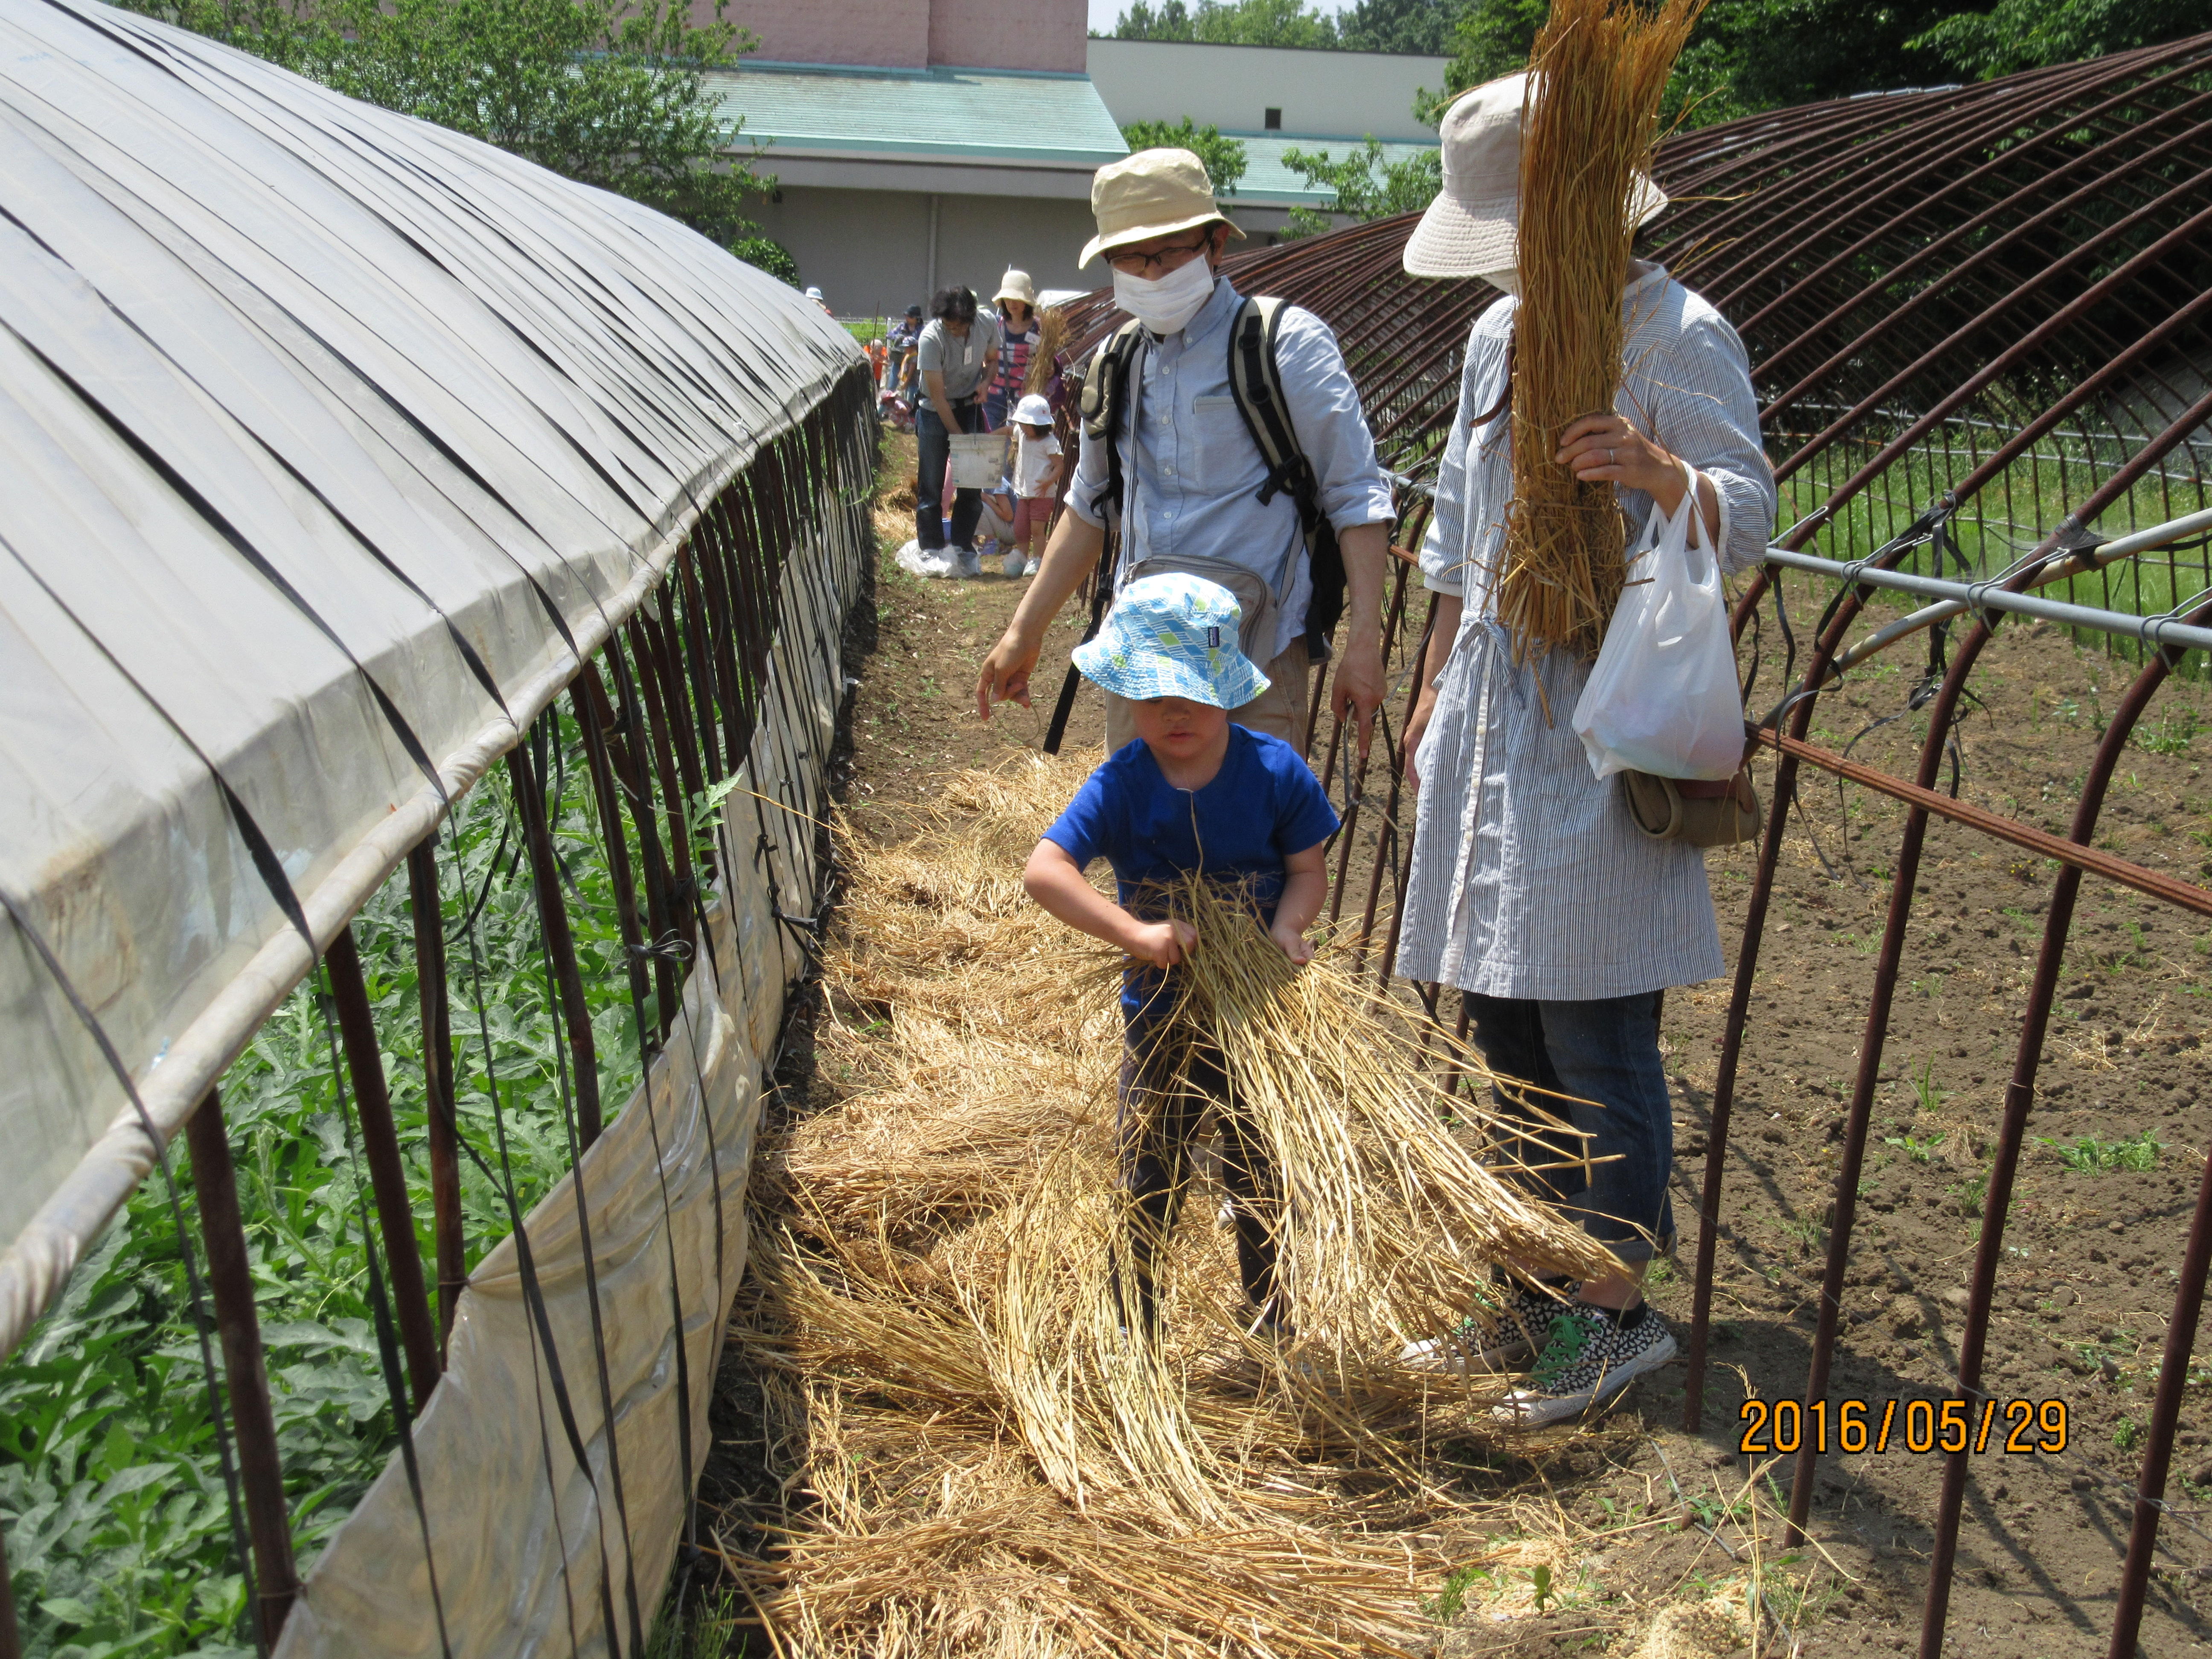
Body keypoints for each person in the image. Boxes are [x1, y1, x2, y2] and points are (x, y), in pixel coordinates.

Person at [1392, 75, 1778, 1427]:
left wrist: (1666, 479)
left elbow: (1753, 513)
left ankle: (1612, 1322)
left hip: (1604, 712)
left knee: (1596, 1033)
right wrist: (1436, 679)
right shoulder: (1498, 336)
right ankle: (1526, 1288)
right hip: (1498, 709)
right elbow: (1457, 513)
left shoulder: (1678, 331)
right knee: (1503, 1026)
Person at [976, 148, 1397, 757]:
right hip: (1141, 665)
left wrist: (1365, 641)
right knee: (1144, 843)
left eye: (1170, 253)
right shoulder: (1117, 361)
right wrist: (1024, 630)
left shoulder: (1284, 344)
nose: (1150, 274)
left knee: (1248, 847)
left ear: (1216, 245)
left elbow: (1354, 494)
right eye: (1130, 258)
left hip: (1256, 660)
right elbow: (1091, 508)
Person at [1023, 574, 1339, 1339]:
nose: (1174, 713)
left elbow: (1306, 870)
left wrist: (1287, 932)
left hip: (1254, 1015)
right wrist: (1135, 936)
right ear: (1127, 694)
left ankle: (1271, 1317)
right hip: (1160, 1016)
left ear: (1226, 689)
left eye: (1193, 692)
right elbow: (1045, 871)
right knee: (1149, 1167)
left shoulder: (1273, 771)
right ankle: (1132, 1319)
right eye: (1154, 693)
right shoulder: (1123, 782)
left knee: (1259, 1164)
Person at [915, 286, 1002, 577]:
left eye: (959, 325)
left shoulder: (987, 322)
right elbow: (938, 397)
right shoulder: (930, 339)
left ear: (971, 317)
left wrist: (986, 383)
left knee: (972, 483)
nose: (954, 330)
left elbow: (993, 361)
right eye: (948, 325)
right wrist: (959, 437)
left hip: (970, 407)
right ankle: (931, 548)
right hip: (934, 412)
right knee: (932, 483)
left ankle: (964, 546)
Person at [1001, 392, 1063, 577]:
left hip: (1042, 494)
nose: (1023, 427)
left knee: (1037, 529)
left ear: (1039, 425)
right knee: (1020, 528)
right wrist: (989, 437)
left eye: (1027, 425)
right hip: (1024, 492)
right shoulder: (1022, 434)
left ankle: (1038, 559)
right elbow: (1008, 431)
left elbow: (1060, 466)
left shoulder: (1049, 443)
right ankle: (1021, 557)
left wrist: (1048, 482)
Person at [985, 269, 1042, 431]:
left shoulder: (1040, 328)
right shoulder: (995, 325)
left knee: (1020, 447)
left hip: (1025, 402)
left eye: (1017, 299)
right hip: (993, 399)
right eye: (1008, 299)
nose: (1012, 303)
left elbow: (1048, 362)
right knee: (994, 446)